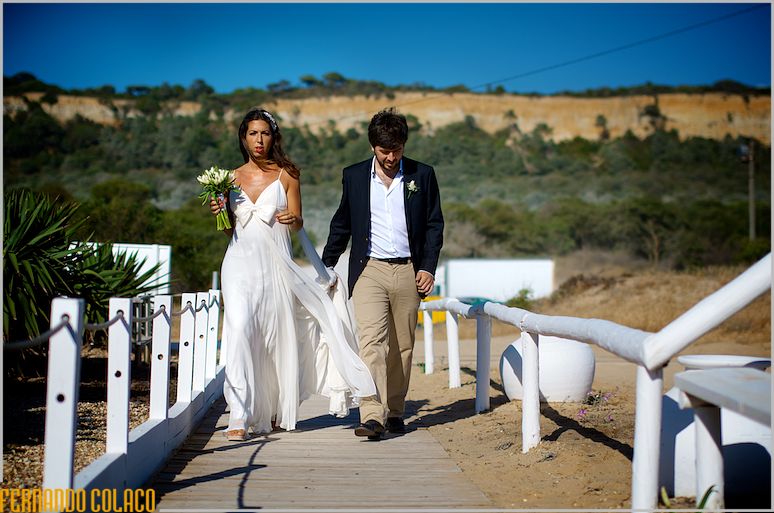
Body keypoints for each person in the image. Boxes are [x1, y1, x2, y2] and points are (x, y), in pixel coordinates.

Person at [210, 107, 375, 441]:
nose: (259, 140)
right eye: (253, 133)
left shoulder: (287, 175)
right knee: (240, 330)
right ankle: (239, 414)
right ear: (244, 137)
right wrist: (220, 215)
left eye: (265, 133)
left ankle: (270, 408)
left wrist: (293, 221)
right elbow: (230, 232)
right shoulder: (227, 179)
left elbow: (298, 221)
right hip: (238, 264)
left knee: (272, 336)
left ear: (274, 137)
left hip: (276, 265)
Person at [322, 108, 444, 440]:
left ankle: (395, 411)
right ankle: (372, 414)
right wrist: (326, 264)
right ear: (372, 146)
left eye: (397, 149)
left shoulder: (424, 174)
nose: (390, 157)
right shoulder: (354, 176)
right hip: (369, 269)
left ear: (404, 145)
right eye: (383, 150)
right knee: (372, 343)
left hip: (409, 269)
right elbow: (342, 223)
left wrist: (428, 268)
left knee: (402, 346)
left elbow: (434, 226)